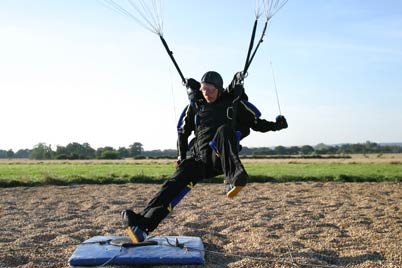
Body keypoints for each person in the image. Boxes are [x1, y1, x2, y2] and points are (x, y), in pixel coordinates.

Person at [122, 71, 288, 243]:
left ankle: (233, 179)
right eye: (203, 89)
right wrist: (181, 157)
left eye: (210, 89)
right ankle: (142, 226)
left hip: (219, 157)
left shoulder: (233, 104)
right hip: (198, 160)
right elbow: (182, 133)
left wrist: (277, 126)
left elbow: (257, 124)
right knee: (172, 186)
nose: (206, 93)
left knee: (224, 129)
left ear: (219, 89)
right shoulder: (195, 106)